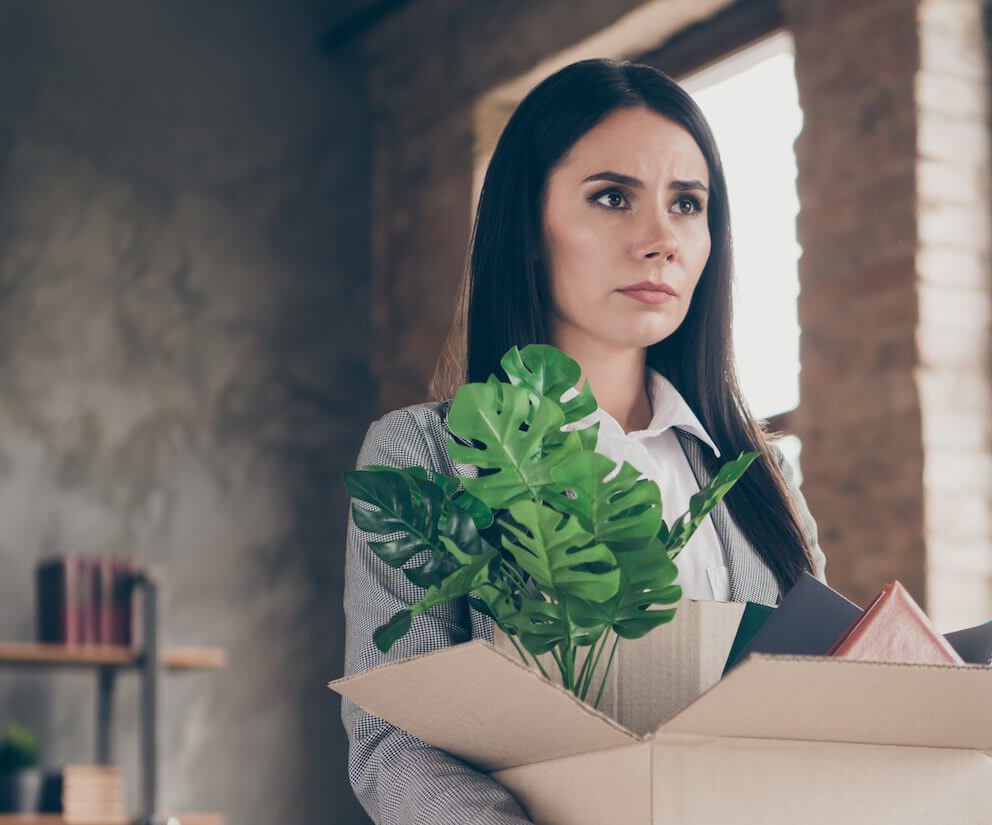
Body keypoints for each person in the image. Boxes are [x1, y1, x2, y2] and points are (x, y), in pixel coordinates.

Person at [339, 58, 828, 824]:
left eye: (687, 204)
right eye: (612, 197)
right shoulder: (423, 453)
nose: (661, 239)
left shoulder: (758, 476)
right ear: (528, 227)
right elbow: (394, 742)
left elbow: (818, 714)